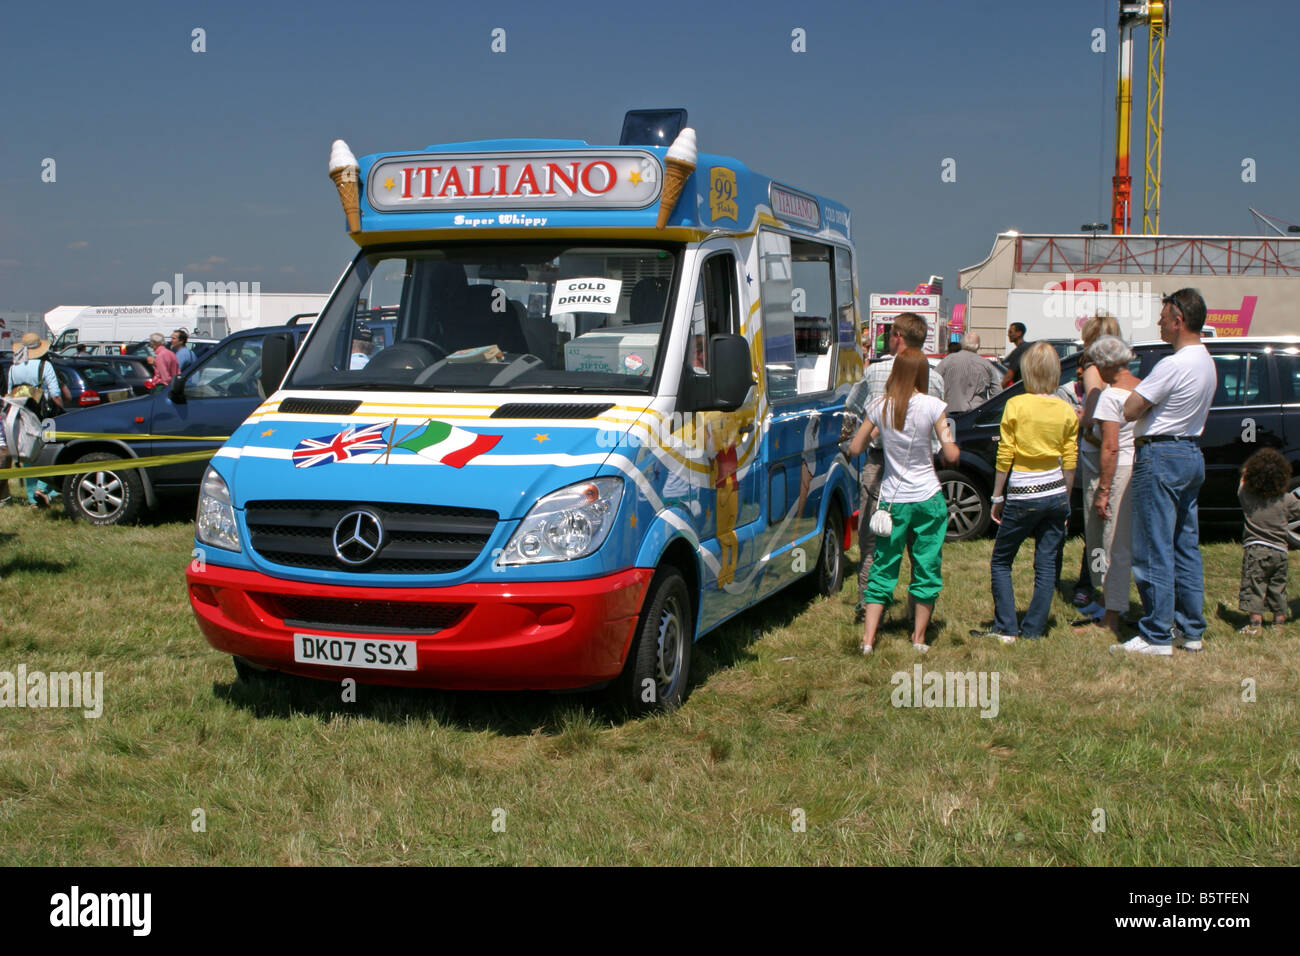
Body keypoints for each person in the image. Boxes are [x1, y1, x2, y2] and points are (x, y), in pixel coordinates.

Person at [1117, 288, 1216, 655]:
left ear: (1178, 321)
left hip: (1161, 454)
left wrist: (1133, 390)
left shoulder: (1172, 364)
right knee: (1184, 546)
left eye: (1163, 317)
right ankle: (1190, 630)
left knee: (1152, 546)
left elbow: (1130, 409)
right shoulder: (1206, 360)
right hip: (1190, 452)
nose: (1158, 322)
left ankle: (1156, 633)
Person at [849, 348, 959, 653]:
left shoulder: (880, 406)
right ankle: (919, 637)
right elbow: (949, 452)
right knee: (926, 565)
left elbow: (856, 447)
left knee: (883, 566)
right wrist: (952, 448)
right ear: (922, 373)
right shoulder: (932, 405)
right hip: (927, 498)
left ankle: (869, 639)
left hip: (892, 501)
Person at [971, 343, 1078, 643]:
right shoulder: (1066, 409)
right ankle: (1033, 629)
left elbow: (1005, 455)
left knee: (1002, 560)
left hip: (1023, 491)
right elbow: (1070, 459)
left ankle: (1006, 627)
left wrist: (996, 496)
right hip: (1056, 491)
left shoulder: (1016, 405)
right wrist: (1066, 501)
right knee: (1045, 564)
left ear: (1028, 371)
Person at [845, 312, 945, 623]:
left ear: (897, 337)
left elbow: (853, 405)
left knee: (875, 538)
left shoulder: (876, 372)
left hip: (881, 464)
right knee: (923, 545)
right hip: (922, 468)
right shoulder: (936, 376)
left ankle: (868, 605)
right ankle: (918, 612)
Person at [1075, 335, 1142, 636]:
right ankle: (1110, 603)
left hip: (1117, 472)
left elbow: (1110, 447)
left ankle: (1111, 616)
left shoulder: (1111, 396)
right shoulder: (1142, 387)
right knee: (1123, 542)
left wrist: (1103, 491)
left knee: (1110, 543)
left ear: (1105, 364)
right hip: (1137, 467)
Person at [1070, 312, 1122, 610]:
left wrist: (1080, 418)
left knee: (1096, 526)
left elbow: (1092, 405)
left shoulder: (1092, 367)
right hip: (1118, 451)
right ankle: (1099, 585)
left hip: (1096, 451)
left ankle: (1093, 585)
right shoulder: (1119, 367)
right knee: (1111, 527)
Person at [1234, 447, 1297, 636]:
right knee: (1278, 587)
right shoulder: (1286, 500)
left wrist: (1245, 474)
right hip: (1280, 552)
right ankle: (1279, 622)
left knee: (1255, 585)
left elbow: (1241, 486)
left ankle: (1255, 624)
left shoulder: (1249, 498)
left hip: (1256, 551)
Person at [6, 332, 67, 507]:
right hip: (42, 413)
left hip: (21, 414)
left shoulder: (13, 368)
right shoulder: (44, 365)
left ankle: (32, 498)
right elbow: (55, 393)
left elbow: (10, 393)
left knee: (27, 453)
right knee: (47, 449)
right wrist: (61, 409)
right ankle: (43, 488)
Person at [936, 331, 999, 414]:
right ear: (978, 346)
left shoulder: (948, 360)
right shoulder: (986, 365)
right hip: (976, 412)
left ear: (962, 344)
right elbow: (997, 392)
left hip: (950, 412)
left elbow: (934, 380)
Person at [1001, 322, 1030, 388]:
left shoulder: (1018, 351)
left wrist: (998, 392)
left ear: (1019, 333)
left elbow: (1008, 377)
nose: (1008, 335)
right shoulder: (1028, 347)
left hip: (1021, 389)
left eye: (1010, 332)